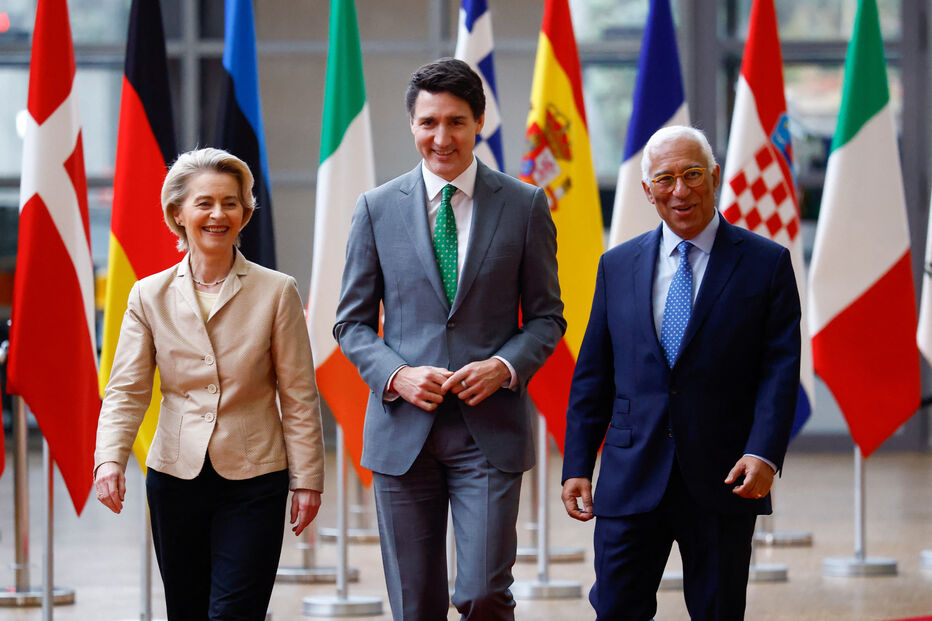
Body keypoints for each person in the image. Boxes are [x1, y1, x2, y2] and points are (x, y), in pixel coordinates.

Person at [334, 58, 565, 621]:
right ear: (412, 125)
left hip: (488, 431)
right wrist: (397, 374)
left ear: (479, 122)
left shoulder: (526, 205)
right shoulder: (375, 208)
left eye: (457, 122)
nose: (443, 137)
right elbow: (351, 323)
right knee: (416, 605)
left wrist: (505, 366)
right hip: (401, 431)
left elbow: (547, 318)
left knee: (484, 592)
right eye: (429, 122)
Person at [561, 126, 800, 621]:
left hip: (724, 475)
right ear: (647, 191)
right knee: (615, 608)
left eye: (693, 174)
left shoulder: (766, 263)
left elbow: (780, 369)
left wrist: (764, 453)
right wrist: (578, 464)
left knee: (717, 610)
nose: (680, 190)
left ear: (714, 177)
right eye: (665, 179)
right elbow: (593, 375)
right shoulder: (617, 265)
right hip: (630, 477)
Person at [94, 147, 325, 620]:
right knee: (187, 611)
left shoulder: (277, 291)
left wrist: (308, 480)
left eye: (230, 202)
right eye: (204, 203)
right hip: (174, 477)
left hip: (256, 477)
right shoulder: (148, 294)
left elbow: (298, 394)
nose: (218, 214)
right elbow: (127, 388)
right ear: (177, 212)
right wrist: (109, 459)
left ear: (245, 212)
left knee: (234, 613)